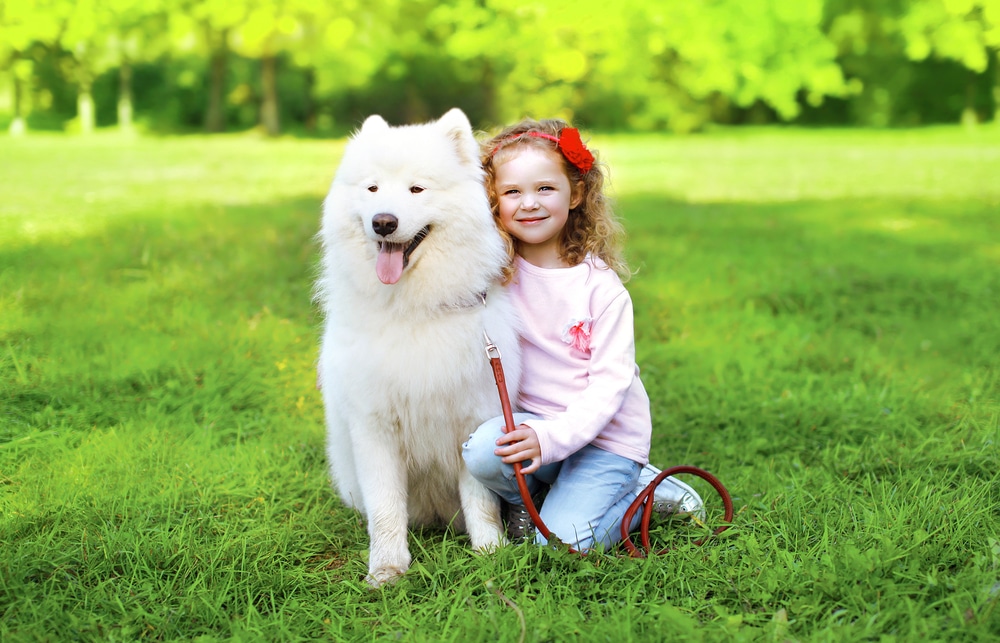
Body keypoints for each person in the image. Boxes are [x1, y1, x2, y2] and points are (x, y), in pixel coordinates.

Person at [462, 117, 704, 552]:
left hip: (604, 442)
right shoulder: (493, 275)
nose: (529, 203)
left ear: (575, 194)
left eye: (545, 189)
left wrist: (553, 439)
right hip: (534, 427)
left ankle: (648, 495)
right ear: (492, 199)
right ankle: (529, 500)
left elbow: (610, 386)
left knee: (561, 544)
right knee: (482, 450)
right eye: (512, 191)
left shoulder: (599, 288)